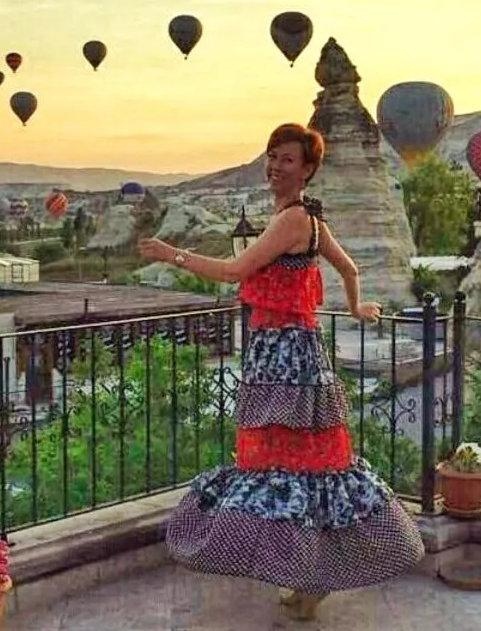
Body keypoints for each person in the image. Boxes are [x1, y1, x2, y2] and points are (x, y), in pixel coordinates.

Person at [137, 123, 424, 622]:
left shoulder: (292, 220)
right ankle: (306, 577)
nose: (275, 166)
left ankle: (308, 577)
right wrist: (356, 309)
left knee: (290, 468)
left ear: (308, 169)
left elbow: (233, 272)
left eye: (287, 159)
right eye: (272, 156)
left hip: (282, 358)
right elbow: (349, 270)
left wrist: (170, 254)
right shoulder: (310, 221)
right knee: (300, 468)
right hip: (294, 354)